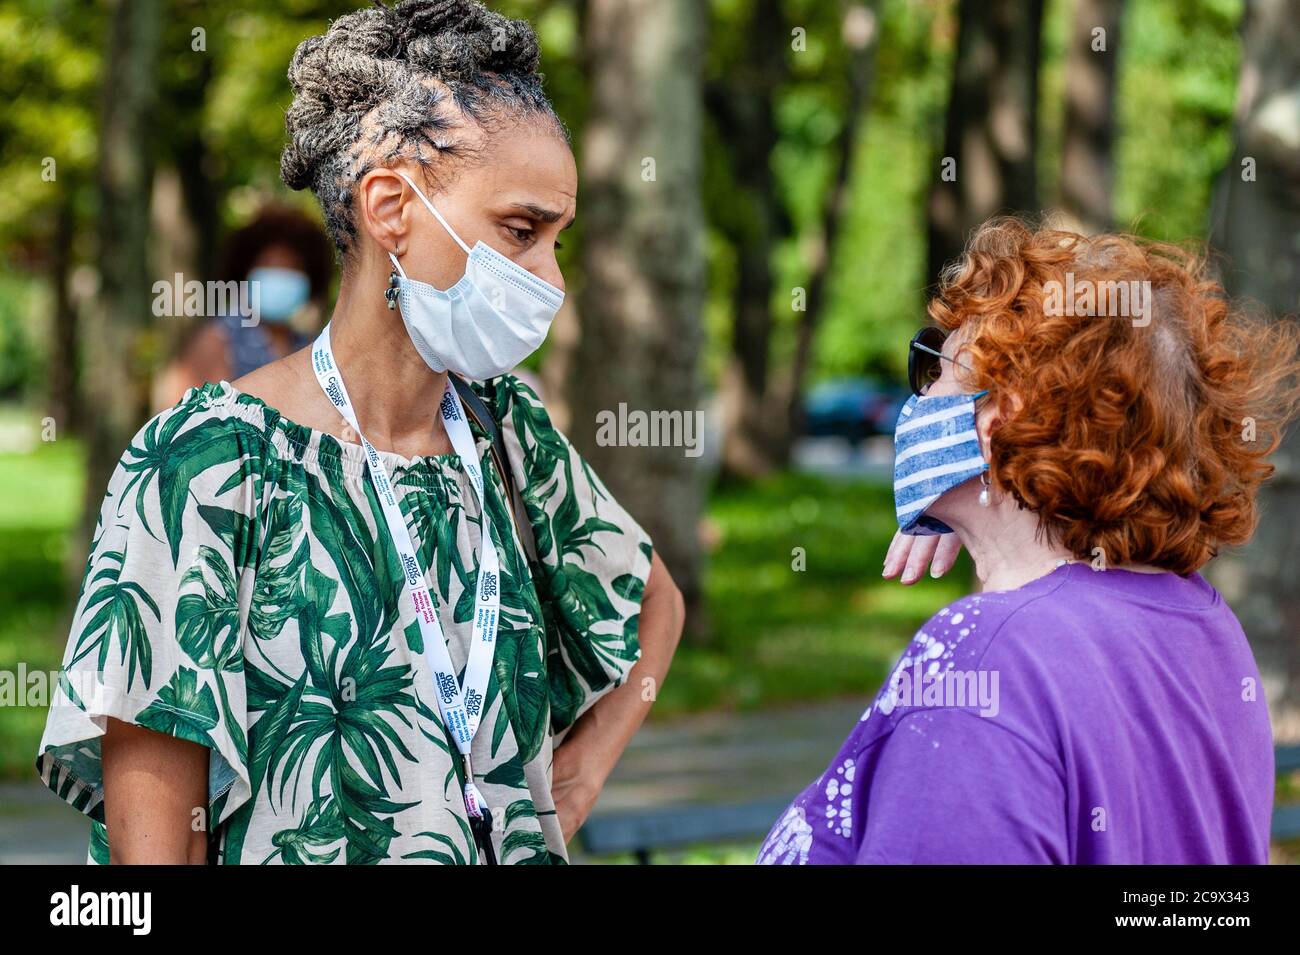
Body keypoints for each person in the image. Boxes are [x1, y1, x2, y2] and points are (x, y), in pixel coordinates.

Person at [37, 0, 684, 865]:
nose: (549, 277)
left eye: (559, 239)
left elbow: (654, 603)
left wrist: (579, 774)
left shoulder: (507, 432)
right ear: (390, 207)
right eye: (522, 231)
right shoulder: (205, 464)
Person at [759, 219, 1300, 864]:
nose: (920, 396)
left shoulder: (983, 656)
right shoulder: (1207, 627)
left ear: (996, 418)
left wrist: (993, 604)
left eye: (934, 369)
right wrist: (994, 536)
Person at [152, 205, 334, 410]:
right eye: (269, 265)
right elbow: (183, 425)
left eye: (292, 267)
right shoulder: (219, 339)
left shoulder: (311, 348)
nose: (280, 275)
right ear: (245, 272)